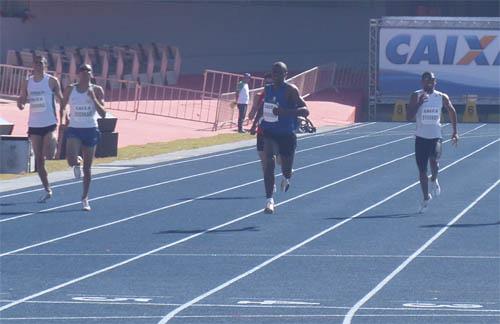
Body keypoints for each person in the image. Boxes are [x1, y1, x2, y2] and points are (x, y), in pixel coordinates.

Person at [257, 62, 309, 214]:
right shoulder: (267, 89)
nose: (275, 76)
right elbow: (264, 107)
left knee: (286, 169)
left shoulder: (291, 90)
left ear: (285, 75)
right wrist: (256, 122)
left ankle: (287, 177)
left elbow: (305, 110)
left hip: (286, 134)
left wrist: (284, 112)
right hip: (270, 132)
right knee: (269, 163)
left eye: (279, 73)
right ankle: (269, 201)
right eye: (274, 73)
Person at [407, 71, 458, 213]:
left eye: (433, 80)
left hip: (436, 136)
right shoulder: (415, 95)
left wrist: (455, 131)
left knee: (434, 162)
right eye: (427, 80)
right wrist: (418, 104)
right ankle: (425, 197)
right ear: (422, 82)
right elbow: (408, 116)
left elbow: (452, 111)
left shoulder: (441, 97)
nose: (430, 82)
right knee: (422, 171)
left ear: (435, 82)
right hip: (421, 138)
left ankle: (434, 179)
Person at [17, 55, 63, 203]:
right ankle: (47, 189)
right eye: (36, 63)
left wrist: (67, 114)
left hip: (49, 123)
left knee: (48, 154)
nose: (38, 65)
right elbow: (23, 98)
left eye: (41, 63)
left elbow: (61, 99)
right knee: (39, 160)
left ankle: (58, 146)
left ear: (45, 66)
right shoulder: (27, 82)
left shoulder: (51, 81)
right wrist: (21, 104)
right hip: (34, 125)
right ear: (33, 66)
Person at [60, 64, 106, 211]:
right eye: (83, 71)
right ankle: (76, 162)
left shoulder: (97, 90)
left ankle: (85, 198)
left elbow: (103, 113)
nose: (85, 73)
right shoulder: (70, 89)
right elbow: (62, 105)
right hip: (74, 128)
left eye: (88, 71)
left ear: (91, 74)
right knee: (71, 160)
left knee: (88, 168)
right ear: (78, 74)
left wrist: (93, 98)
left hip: (91, 129)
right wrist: (64, 117)